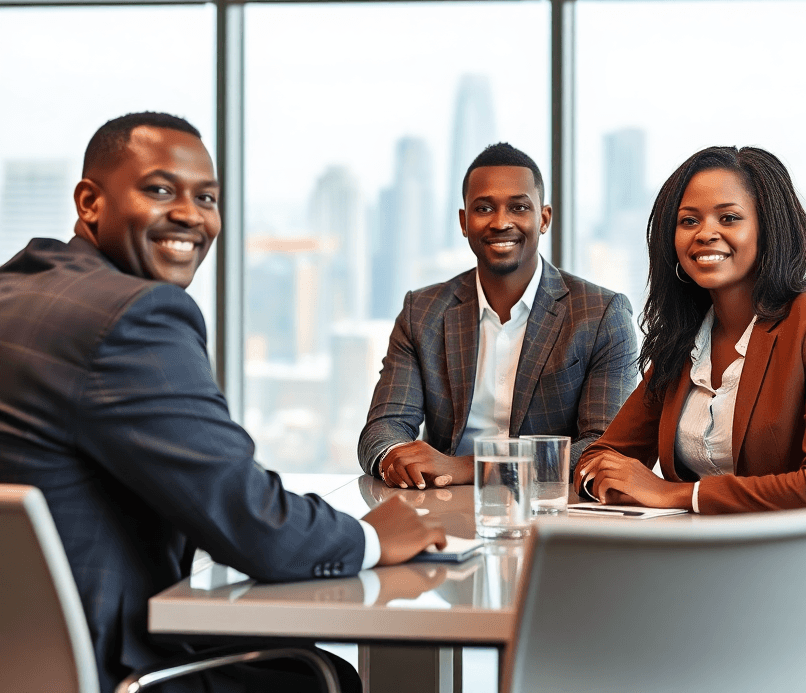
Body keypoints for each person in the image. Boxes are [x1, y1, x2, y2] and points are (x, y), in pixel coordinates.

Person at [0, 112, 446, 693]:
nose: (190, 214)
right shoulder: (135, 316)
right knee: (317, 675)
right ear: (90, 201)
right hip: (113, 665)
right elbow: (253, 522)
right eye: (160, 189)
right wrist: (373, 537)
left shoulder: (18, 290)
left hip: (21, 658)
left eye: (206, 197)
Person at [574, 145, 806, 693]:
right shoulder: (684, 341)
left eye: (729, 218)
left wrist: (673, 495)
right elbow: (603, 455)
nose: (706, 232)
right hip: (702, 584)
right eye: (688, 220)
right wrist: (602, 478)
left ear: (768, 230)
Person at [358, 142, 637, 489]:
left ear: (544, 218)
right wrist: (395, 457)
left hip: (550, 512)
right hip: (441, 505)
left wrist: (473, 468)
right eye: (484, 208)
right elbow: (383, 427)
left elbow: (602, 449)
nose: (501, 222)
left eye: (519, 207)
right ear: (464, 221)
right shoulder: (423, 312)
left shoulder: (600, 315)